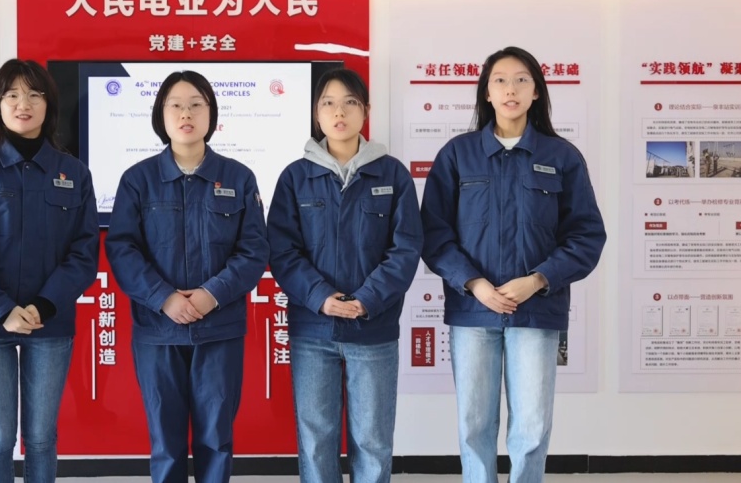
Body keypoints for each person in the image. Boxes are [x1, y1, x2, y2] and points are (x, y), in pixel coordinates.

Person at [420, 46, 606, 483]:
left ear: (536, 91)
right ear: (486, 92)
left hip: (536, 309)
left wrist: (538, 280)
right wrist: (474, 283)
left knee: (532, 425)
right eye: (500, 80)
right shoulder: (458, 155)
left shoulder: (562, 156)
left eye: (522, 80)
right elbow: (434, 233)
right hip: (473, 310)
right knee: (474, 425)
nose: (511, 89)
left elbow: (586, 236)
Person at [105, 70, 269, 483]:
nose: (186, 114)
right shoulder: (138, 180)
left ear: (211, 114)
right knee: (166, 440)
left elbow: (254, 250)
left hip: (220, 327)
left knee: (216, 438)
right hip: (158, 329)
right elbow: (122, 249)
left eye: (196, 104)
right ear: (160, 115)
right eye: (175, 105)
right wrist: (164, 298)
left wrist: (212, 295)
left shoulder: (238, 177)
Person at [267, 68, 423, 483]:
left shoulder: (392, 175)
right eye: (329, 104)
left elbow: (406, 248)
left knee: (372, 439)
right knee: (316, 439)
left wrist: (366, 300)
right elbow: (282, 250)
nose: (339, 112)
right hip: (312, 329)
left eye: (350, 103)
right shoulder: (295, 177)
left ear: (365, 111)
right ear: (316, 114)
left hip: (373, 328)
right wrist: (321, 297)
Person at [0, 59, 98, 483]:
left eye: (34, 94)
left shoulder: (73, 172)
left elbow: (84, 252)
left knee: (41, 437)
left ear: (49, 105)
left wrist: (44, 305)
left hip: (49, 321)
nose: (23, 104)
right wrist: (2, 309)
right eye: (11, 94)